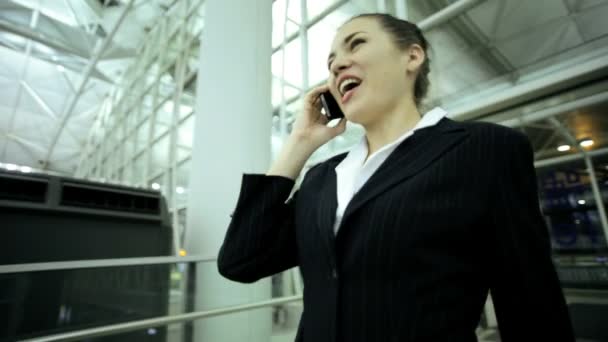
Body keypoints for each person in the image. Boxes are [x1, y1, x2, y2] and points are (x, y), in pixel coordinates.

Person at [218, 13, 575, 342]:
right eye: (330, 63)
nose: (338, 64)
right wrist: (298, 144)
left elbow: (530, 301)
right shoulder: (322, 177)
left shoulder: (485, 150)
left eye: (356, 44)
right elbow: (241, 260)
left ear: (412, 57)